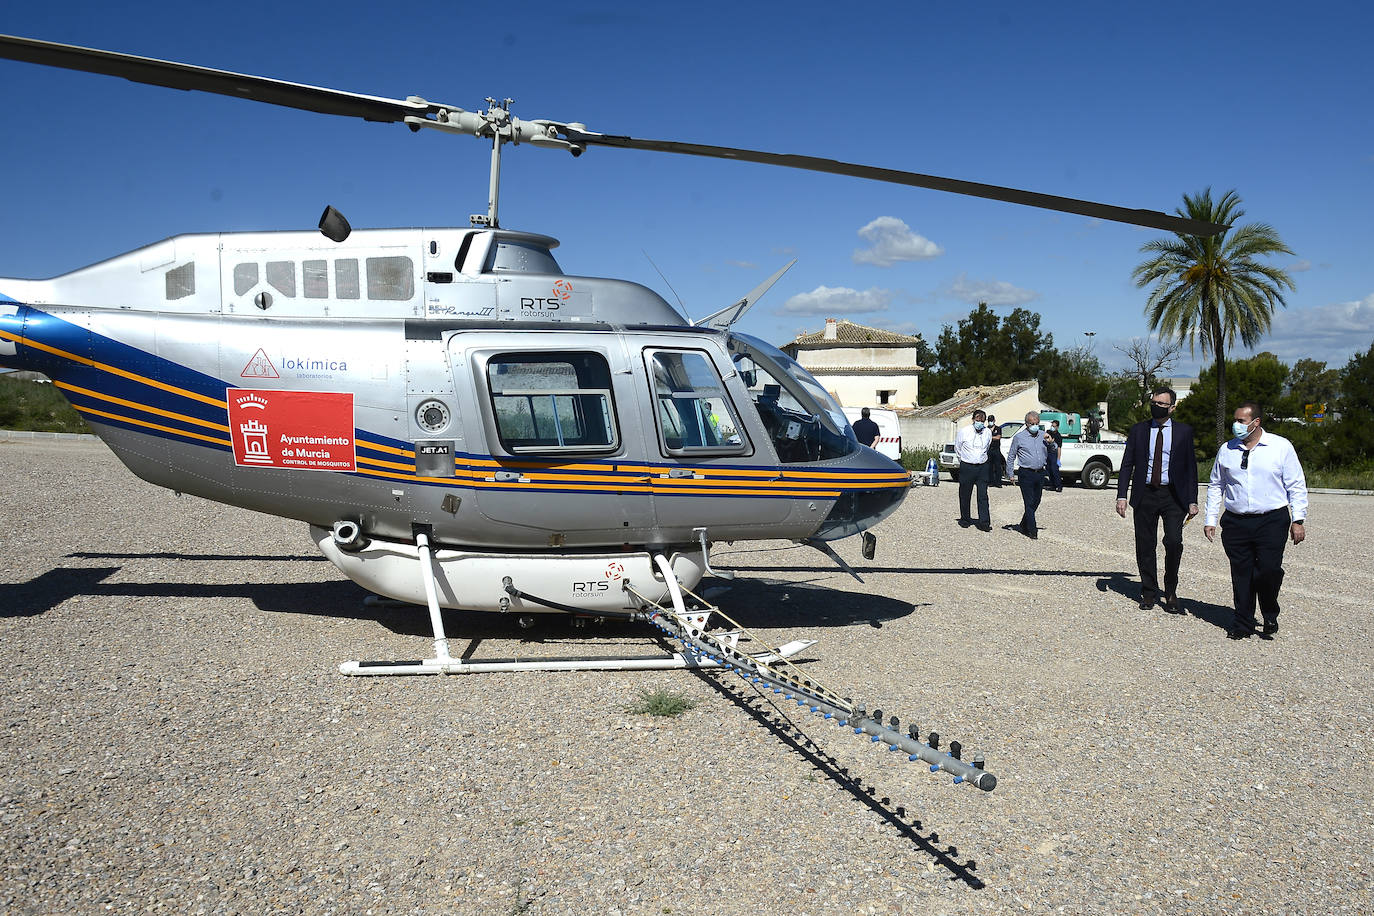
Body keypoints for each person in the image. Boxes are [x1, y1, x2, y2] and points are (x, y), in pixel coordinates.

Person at [1204, 401, 1308, 640]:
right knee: (1241, 573)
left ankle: (1270, 611)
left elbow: (1296, 484)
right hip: (1236, 522)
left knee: (1268, 570)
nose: (1236, 425)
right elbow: (1215, 485)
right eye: (1235, 420)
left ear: (1256, 422)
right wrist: (1211, 519)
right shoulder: (1227, 449)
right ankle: (1243, 622)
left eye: (1241, 421)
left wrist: (1298, 518)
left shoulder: (1280, 447)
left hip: (1271, 520)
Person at [1115, 387, 1199, 612]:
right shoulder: (1139, 431)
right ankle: (1149, 591)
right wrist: (1121, 495)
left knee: (1173, 542)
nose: (1156, 407)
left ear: (1172, 407)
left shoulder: (1184, 432)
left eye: (1161, 404)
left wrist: (1192, 500)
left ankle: (1170, 591)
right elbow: (1127, 464)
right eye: (1153, 402)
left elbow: (1191, 468)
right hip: (1145, 494)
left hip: (1173, 496)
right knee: (1145, 544)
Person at [1006, 411, 1048, 538]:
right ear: (1026, 424)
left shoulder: (1043, 435)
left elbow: (1053, 449)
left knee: (1037, 500)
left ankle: (1024, 524)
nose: (1035, 425)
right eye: (1032, 423)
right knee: (1028, 502)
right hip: (1026, 473)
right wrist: (1010, 473)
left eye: (1037, 423)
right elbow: (1011, 456)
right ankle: (1032, 530)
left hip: (1040, 472)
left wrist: (1051, 442)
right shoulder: (1019, 437)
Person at [954, 410, 993, 531]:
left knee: (983, 495)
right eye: (977, 420)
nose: (980, 423)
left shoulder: (987, 433)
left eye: (982, 421)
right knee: (965, 493)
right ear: (973, 420)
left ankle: (984, 522)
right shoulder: (964, 432)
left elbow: (987, 447)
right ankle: (965, 519)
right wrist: (964, 460)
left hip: (982, 466)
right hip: (967, 466)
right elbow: (958, 448)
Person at [986, 414, 1004, 487]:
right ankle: (991, 482)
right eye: (989, 420)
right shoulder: (986, 429)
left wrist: (990, 437)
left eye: (991, 420)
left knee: (998, 466)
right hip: (989, 449)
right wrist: (993, 437)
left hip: (996, 449)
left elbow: (998, 437)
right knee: (989, 467)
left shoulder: (998, 428)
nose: (990, 422)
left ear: (994, 421)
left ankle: (998, 482)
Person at [1046, 420, 1064, 491]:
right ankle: (1052, 485)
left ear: (1057, 427)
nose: (1052, 427)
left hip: (1054, 454)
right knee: (1049, 469)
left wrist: (1058, 459)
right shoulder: (1048, 432)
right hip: (1048, 453)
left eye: (1054, 426)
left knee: (1055, 470)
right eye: (1052, 426)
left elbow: (1059, 448)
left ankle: (1059, 486)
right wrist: (1049, 439)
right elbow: (1045, 437)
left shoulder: (1058, 436)